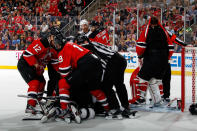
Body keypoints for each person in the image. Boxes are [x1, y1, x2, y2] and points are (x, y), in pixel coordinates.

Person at [42, 28, 110, 122]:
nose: (53, 44)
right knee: (94, 90)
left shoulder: (64, 49)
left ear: (57, 40)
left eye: (53, 41)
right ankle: (108, 109)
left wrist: (56, 91)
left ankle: (64, 110)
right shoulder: (71, 44)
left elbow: (64, 73)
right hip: (96, 65)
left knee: (62, 83)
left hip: (85, 65)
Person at [76, 35, 134, 119]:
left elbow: (101, 63)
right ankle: (125, 106)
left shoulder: (88, 46)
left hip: (113, 62)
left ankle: (115, 108)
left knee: (106, 86)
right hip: (119, 59)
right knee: (119, 85)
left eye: (80, 43)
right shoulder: (94, 44)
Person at [17, 33, 59, 117]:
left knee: (42, 82)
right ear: (50, 37)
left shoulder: (54, 50)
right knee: (35, 82)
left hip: (36, 68)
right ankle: (30, 105)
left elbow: (56, 64)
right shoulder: (41, 42)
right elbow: (27, 54)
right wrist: (36, 64)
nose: (56, 42)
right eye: (55, 39)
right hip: (26, 64)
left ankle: (37, 102)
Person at [136, 16, 174, 106]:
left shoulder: (146, 31)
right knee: (158, 79)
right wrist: (167, 57)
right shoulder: (164, 31)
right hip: (163, 59)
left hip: (151, 58)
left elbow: (141, 46)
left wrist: (140, 56)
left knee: (142, 77)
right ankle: (160, 98)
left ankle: (141, 98)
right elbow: (171, 46)